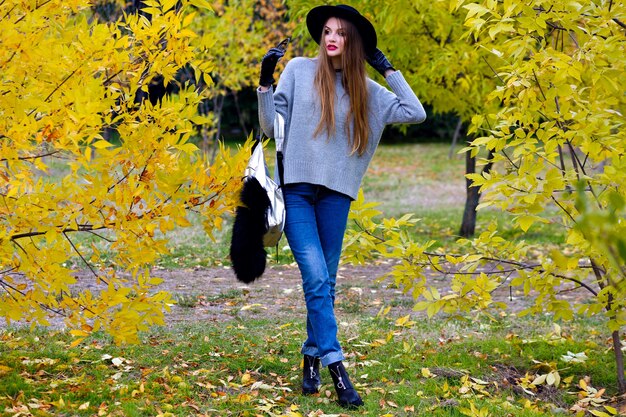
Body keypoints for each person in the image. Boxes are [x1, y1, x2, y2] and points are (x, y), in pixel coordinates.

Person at [257, 4, 426, 409]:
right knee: (316, 278)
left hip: (336, 195)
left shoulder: (365, 89)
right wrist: (265, 83)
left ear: (354, 43)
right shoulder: (298, 70)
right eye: (327, 31)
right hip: (295, 191)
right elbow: (269, 128)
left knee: (325, 285)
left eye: (342, 33)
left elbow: (415, 112)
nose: (331, 38)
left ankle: (310, 358)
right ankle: (338, 371)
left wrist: (386, 67)